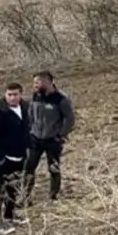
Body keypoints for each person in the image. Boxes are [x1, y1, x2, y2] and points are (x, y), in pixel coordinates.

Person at [24, 71, 75, 205]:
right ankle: (25, 196)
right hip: (35, 138)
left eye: (38, 82)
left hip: (52, 139)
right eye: (34, 82)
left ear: (48, 82)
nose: (34, 85)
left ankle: (53, 196)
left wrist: (61, 135)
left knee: (53, 168)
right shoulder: (36, 95)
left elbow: (70, 119)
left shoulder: (61, 99)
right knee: (29, 167)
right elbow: (31, 114)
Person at [0, 82, 31, 234]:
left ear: (21, 95)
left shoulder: (25, 108)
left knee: (13, 186)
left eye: (15, 94)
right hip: (3, 158)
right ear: (5, 95)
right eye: (9, 95)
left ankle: (10, 215)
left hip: (19, 155)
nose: (12, 98)